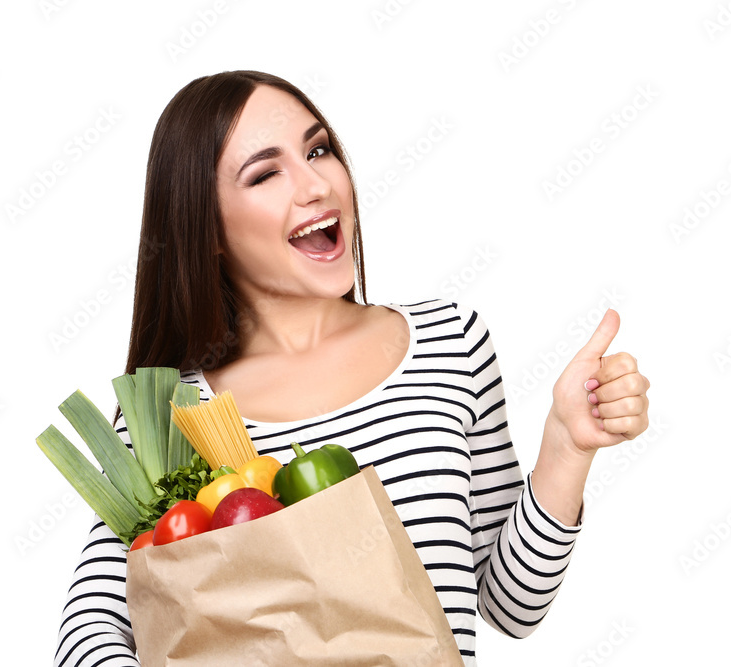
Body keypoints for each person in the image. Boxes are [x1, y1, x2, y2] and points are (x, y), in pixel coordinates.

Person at [53, 70, 650, 667]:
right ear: (206, 229)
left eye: (317, 150)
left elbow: (511, 606)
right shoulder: (175, 416)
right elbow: (89, 631)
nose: (316, 184)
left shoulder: (449, 341)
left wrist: (567, 447)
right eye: (265, 174)